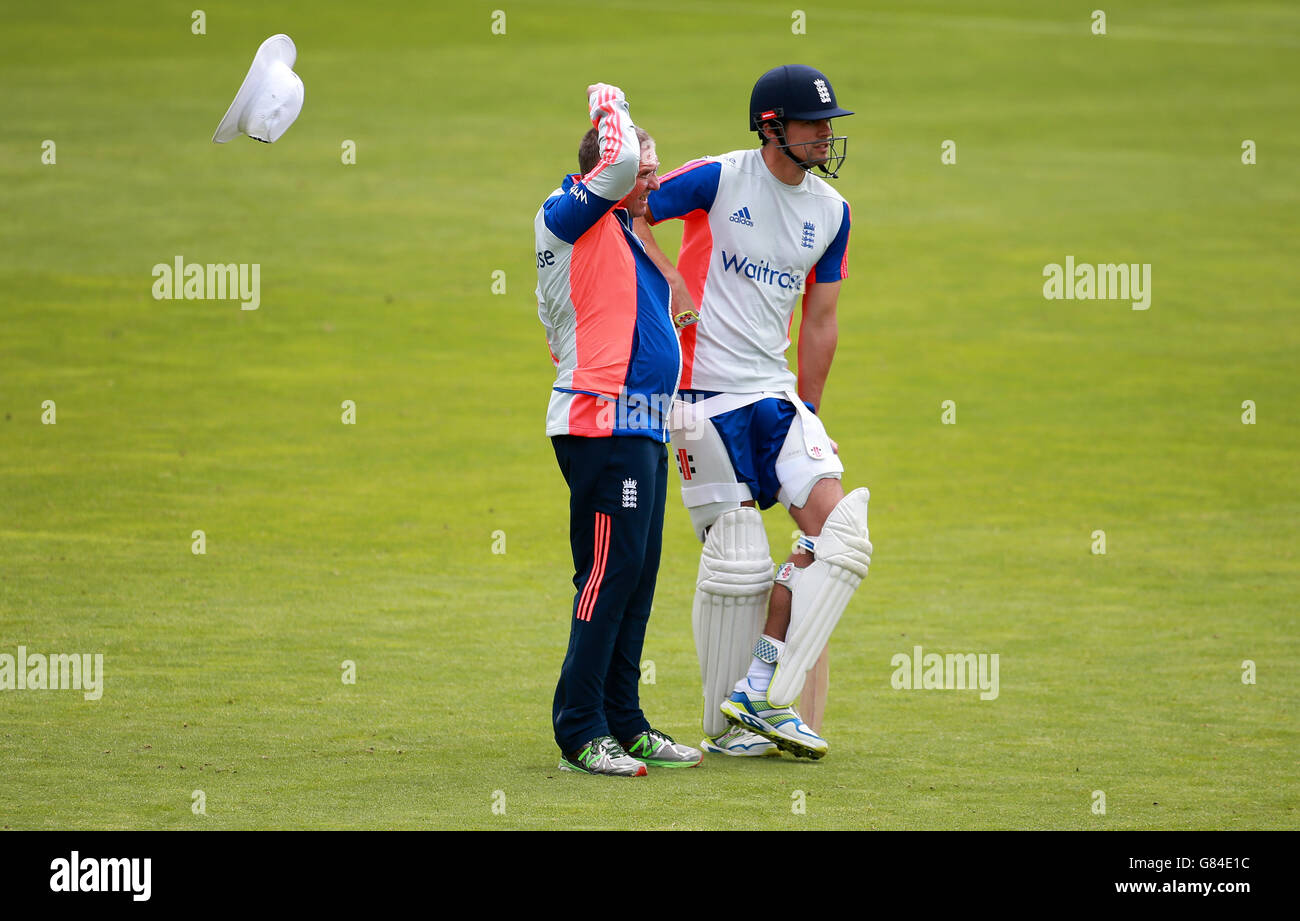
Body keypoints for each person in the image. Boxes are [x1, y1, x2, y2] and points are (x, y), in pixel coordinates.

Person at [634, 65, 873, 761]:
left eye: (830, 124)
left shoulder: (832, 211)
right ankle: (732, 722)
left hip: (775, 395)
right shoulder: (718, 176)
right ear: (772, 127)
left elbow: (821, 318)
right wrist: (672, 275)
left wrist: (812, 411)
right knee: (737, 562)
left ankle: (762, 689)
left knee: (841, 537)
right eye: (814, 124)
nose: (827, 135)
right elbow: (633, 214)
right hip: (700, 396)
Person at [535, 83, 702, 776]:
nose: (654, 180)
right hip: (599, 424)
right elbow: (622, 151)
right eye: (645, 169)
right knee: (609, 571)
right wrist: (610, 101)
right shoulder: (565, 217)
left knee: (636, 575)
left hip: (641, 427)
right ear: (608, 172)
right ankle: (580, 728)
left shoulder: (628, 237)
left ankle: (624, 719)